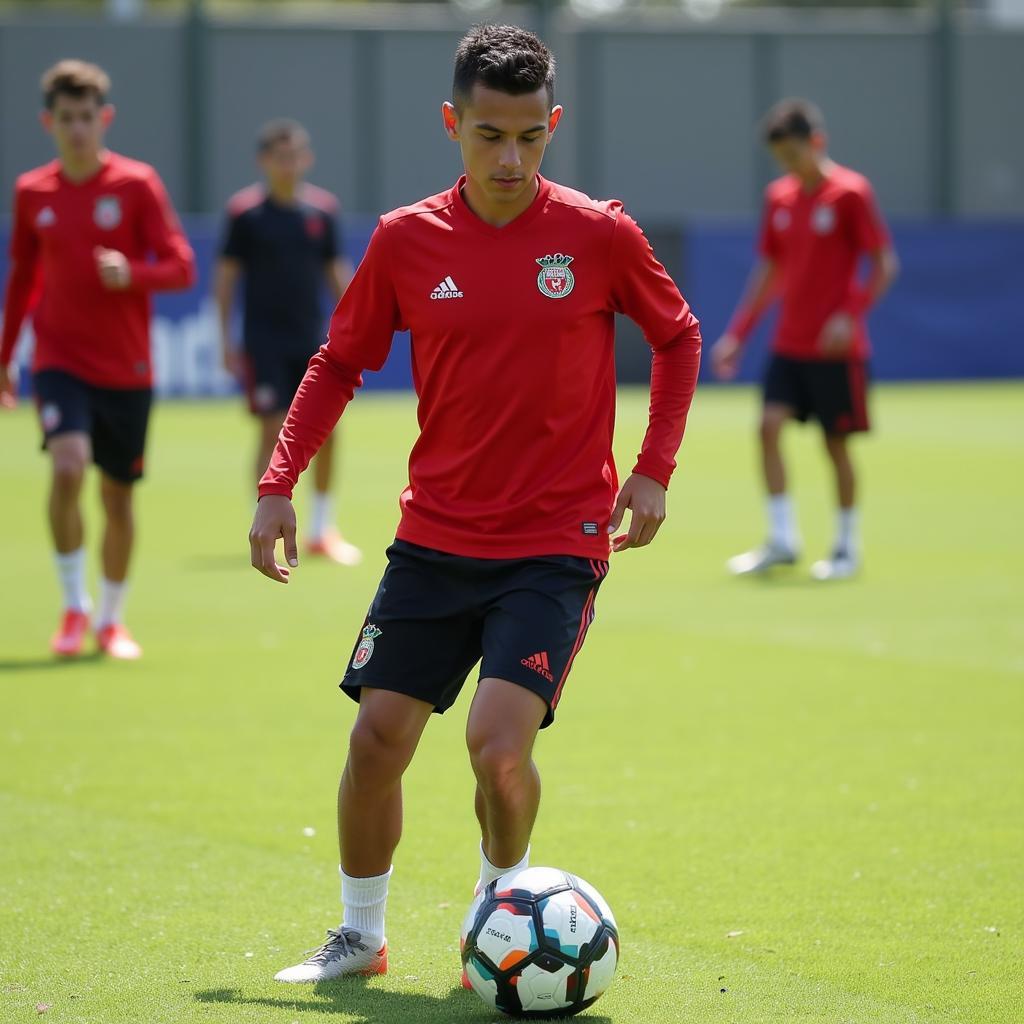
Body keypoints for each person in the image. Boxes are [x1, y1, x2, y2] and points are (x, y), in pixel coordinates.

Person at [248, 24, 701, 984]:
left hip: (554, 542)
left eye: (531, 137)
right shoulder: (407, 241)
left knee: (496, 746)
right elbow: (337, 364)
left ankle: (503, 917)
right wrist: (277, 484)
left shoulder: (598, 233)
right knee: (376, 741)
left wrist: (654, 466)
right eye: (490, 134)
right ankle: (361, 937)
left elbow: (677, 336)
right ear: (454, 124)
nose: (511, 157)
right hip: (435, 538)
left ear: (553, 127)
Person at [0, 60, 195, 658]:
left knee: (117, 496)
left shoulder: (136, 185)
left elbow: (181, 266)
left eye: (87, 117)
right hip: (60, 359)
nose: (78, 129)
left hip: (126, 369)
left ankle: (111, 618)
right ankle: (73, 607)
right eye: (66, 119)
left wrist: (131, 273)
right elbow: (22, 280)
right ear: (48, 123)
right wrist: (5, 357)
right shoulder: (33, 192)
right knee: (65, 467)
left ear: (104, 118)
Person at [712, 99, 898, 580]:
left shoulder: (851, 194)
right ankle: (782, 540)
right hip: (789, 344)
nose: (789, 166)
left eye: (794, 155)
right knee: (767, 427)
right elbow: (770, 272)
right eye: (782, 159)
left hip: (836, 350)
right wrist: (737, 334)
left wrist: (849, 314)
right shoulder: (779, 198)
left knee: (835, 446)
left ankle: (845, 548)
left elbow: (883, 265)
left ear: (817, 142)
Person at [215, 119, 360, 565]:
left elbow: (338, 274)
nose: (288, 164)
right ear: (264, 161)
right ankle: (264, 521)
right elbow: (225, 280)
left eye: (295, 155)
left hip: (313, 341)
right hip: (264, 343)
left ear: (306, 159)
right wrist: (225, 339)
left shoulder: (322, 213)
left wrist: (358, 321)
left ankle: (321, 527)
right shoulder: (245, 215)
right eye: (280, 156)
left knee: (329, 430)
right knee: (273, 428)